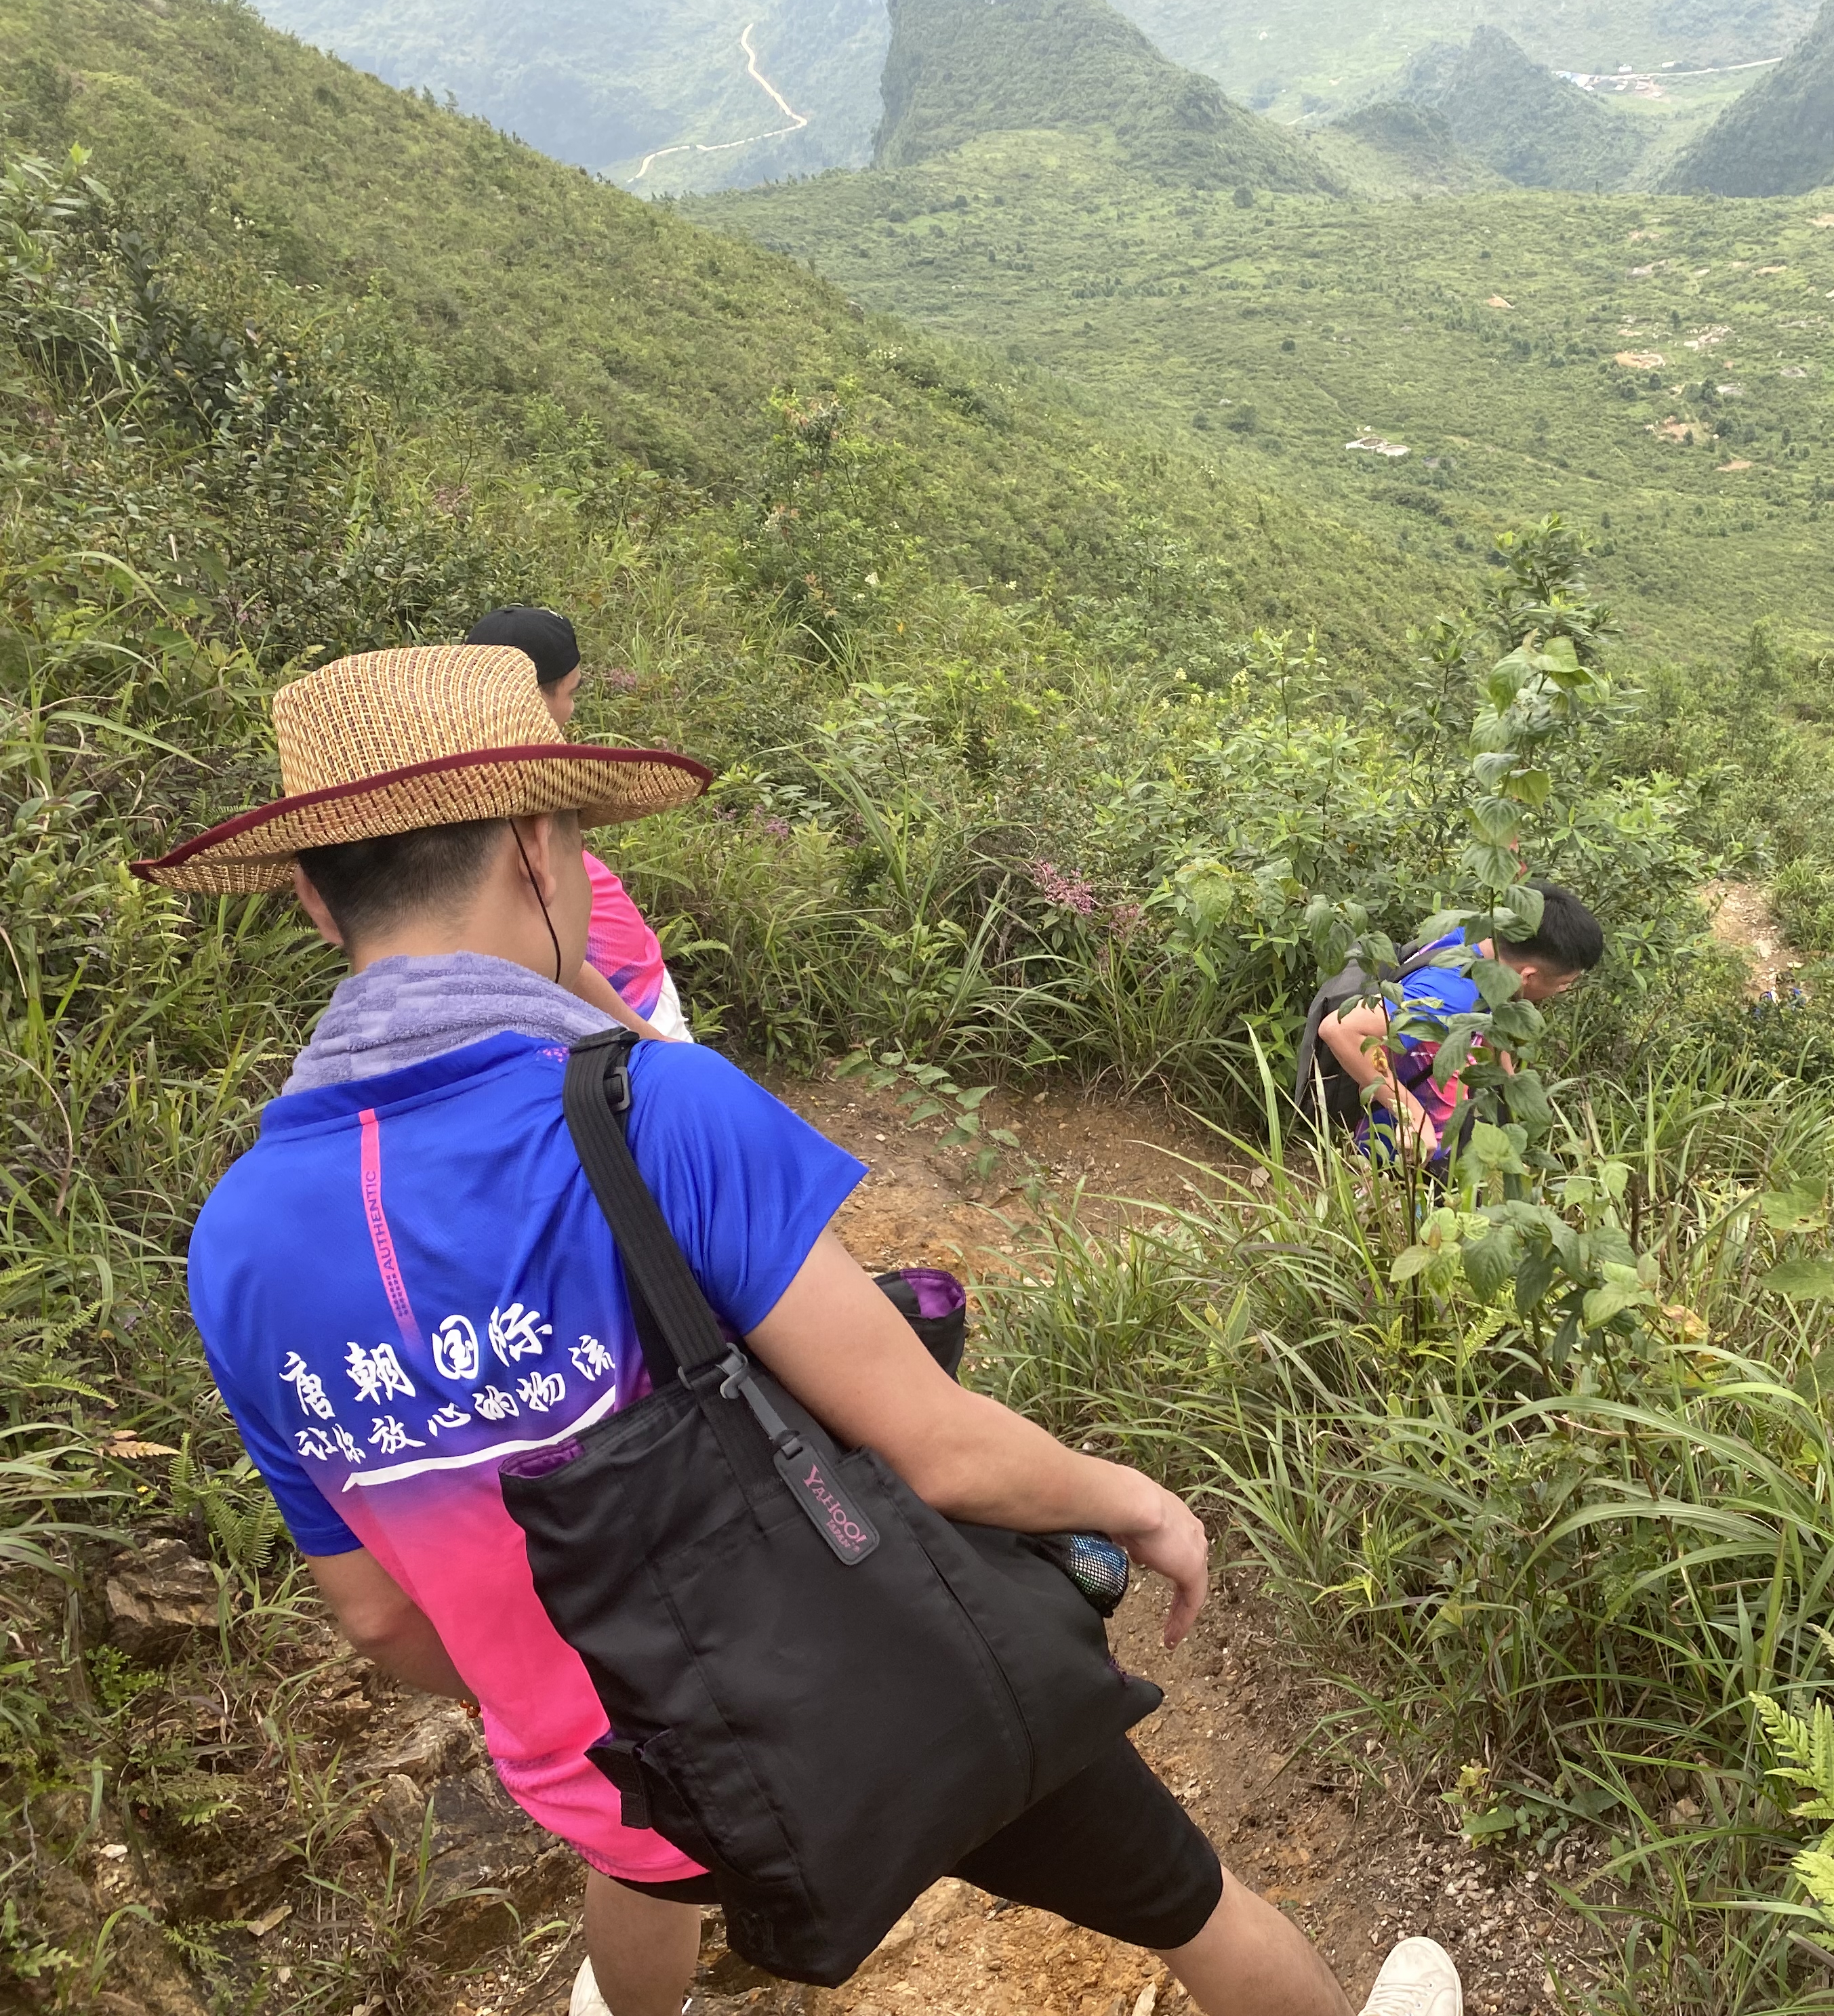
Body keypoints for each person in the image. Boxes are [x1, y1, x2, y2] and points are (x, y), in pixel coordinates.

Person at [135, 644, 1465, 2016]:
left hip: (604, 1766)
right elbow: (939, 1450)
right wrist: (1137, 1502)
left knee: (645, 1860)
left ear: (308, 898)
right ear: (541, 844)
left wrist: (579, 1680)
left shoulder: (234, 1241)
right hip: (856, 1701)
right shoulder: (664, 1114)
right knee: (1188, 1901)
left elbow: (375, 1616)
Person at [466, 606, 693, 1042]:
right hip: (626, 1013)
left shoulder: (475, 781)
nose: (571, 709)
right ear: (535, 701)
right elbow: (559, 957)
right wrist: (653, 1042)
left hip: (634, 987)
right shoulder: (519, 802)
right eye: (571, 693)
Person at [1316, 884, 1604, 1169]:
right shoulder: (1454, 992)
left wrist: (1509, 1090)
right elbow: (1339, 1029)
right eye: (1564, 984)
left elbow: (1487, 1028)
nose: (1563, 990)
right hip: (1404, 1146)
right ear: (1528, 975)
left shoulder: (1479, 941)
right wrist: (1411, 1115)